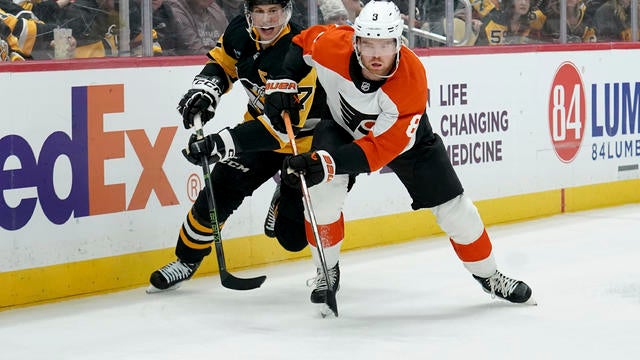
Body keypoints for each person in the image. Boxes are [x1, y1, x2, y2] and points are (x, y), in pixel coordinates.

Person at [264, 0, 535, 307]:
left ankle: (490, 275)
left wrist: (325, 162)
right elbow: (301, 43)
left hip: (409, 143)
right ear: (355, 41)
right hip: (339, 127)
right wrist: (282, 82)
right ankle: (326, 270)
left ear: (399, 43)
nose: (376, 55)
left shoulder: (410, 79)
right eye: (368, 44)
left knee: (458, 211)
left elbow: (377, 151)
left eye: (385, 45)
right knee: (322, 197)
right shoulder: (331, 46)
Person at [147, 0, 327, 292]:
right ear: (248, 13)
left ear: (288, 12)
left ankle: (285, 195)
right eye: (259, 12)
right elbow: (222, 64)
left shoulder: (298, 51)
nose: (266, 20)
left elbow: (281, 130)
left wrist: (221, 143)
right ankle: (186, 260)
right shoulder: (239, 32)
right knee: (219, 189)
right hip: (258, 129)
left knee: (291, 239)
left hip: (300, 144)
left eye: (274, 11)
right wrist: (206, 89)